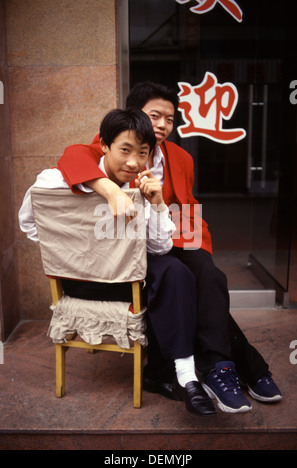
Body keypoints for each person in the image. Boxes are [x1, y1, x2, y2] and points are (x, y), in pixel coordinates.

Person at [55, 82, 282, 413]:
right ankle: (248, 366)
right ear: (135, 117)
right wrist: (109, 189)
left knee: (209, 276)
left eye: (169, 119)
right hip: (127, 247)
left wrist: (195, 245)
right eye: (154, 116)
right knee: (180, 277)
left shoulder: (181, 157)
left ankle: (220, 368)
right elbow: (72, 157)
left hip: (172, 234)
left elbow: (187, 207)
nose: (161, 125)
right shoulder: (109, 146)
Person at [19, 107, 216, 417]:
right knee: (171, 274)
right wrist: (77, 245)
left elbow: (161, 248)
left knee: (176, 271)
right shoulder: (55, 180)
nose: (133, 162)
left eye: (142, 153)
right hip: (80, 282)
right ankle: (173, 372)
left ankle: (186, 375)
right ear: (105, 146)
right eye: (125, 150)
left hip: (127, 283)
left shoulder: (141, 188)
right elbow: (31, 223)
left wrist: (159, 204)